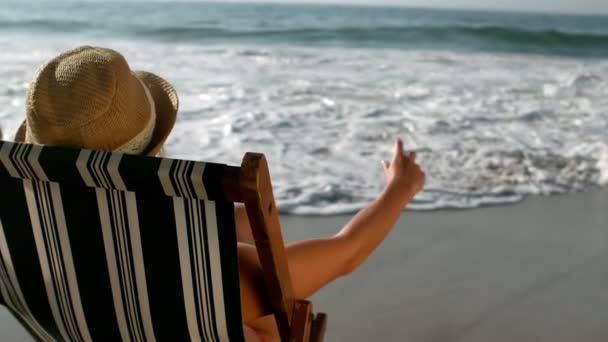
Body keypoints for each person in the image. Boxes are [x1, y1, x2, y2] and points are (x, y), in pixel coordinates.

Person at [13, 46, 425, 341]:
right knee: (273, 313)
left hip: (82, 321)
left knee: (239, 221)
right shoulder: (196, 271)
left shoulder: (17, 231)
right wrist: (399, 189)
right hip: (174, 308)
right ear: (154, 142)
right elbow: (347, 252)